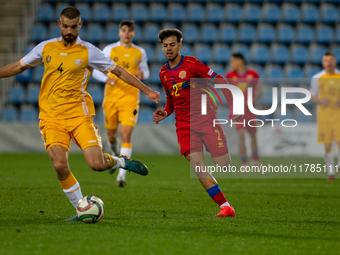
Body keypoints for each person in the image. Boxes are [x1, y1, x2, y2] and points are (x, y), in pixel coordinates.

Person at [0, 7, 159, 221]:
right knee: (59, 165)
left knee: (97, 164)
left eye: (73, 27)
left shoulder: (88, 51)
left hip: (79, 115)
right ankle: (81, 208)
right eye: (65, 26)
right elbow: (19, 66)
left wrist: (146, 89)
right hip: (51, 117)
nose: (69, 30)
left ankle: (121, 162)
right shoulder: (45, 47)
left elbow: (119, 71)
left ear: (80, 25)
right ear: (59, 24)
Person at [153, 28, 239, 217]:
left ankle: (211, 146)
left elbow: (221, 80)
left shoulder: (192, 64)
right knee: (196, 163)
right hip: (183, 124)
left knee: (224, 164)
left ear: (180, 46)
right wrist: (165, 112)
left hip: (205, 119)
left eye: (172, 45)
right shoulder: (163, 73)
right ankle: (226, 206)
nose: (168, 49)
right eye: (165, 45)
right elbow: (171, 100)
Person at [92, 20, 149, 188]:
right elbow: (96, 70)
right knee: (111, 136)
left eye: (129, 30)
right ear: (119, 32)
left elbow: (146, 71)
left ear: (133, 33)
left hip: (130, 99)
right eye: (124, 30)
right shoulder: (110, 49)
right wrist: (106, 78)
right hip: (111, 99)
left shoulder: (140, 52)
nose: (126, 33)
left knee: (125, 135)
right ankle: (115, 154)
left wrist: (142, 74)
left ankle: (121, 175)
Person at [225, 53, 262, 167]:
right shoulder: (229, 75)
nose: (231, 64)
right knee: (241, 135)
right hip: (238, 110)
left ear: (240, 61)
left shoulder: (253, 73)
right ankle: (244, 162)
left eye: (233, 61)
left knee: (253, 135)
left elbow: (259, 92)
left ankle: (255, 161)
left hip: (250, 110)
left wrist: (249, 101)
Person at [310, 52, 340, 181]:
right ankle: (331, 172)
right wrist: (321, 101)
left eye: (331, 60)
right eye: (326, 60)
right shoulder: (317, 77)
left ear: (335, 62)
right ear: (323, 63)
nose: (328, 62)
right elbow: (312, 96)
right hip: (324, 117)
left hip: (338, 116)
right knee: (327, 145)